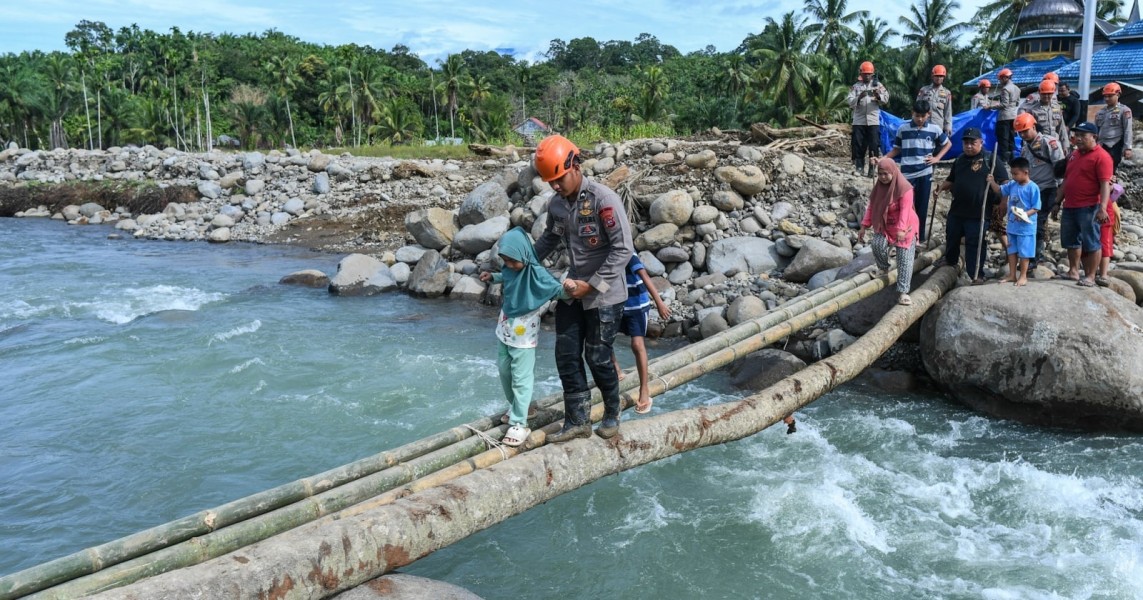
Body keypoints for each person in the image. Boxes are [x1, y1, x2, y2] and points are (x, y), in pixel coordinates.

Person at [532, 134, 634, 442]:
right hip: (572, 288)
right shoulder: (557, 205)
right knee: (565, 353)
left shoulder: (604, 201)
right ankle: (577, 420)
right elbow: (550, 238)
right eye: (550, 181)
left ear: (575, 166)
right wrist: (524, 262)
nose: (555, 186)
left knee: (598, 356)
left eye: (559, 179)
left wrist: (591, 286)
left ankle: (612, 413)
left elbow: (623, 250)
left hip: (605, 293)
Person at [479, 227, 573, 447]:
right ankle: (523, 408)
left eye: (513, 261)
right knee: (504, 370)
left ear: (524, 254)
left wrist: (571, 289)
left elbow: (557, 290)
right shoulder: (511, 268)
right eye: (506, 261)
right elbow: (509, 275)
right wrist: (494, 277)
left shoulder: (537, 273)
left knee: (521, 377)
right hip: (505, 327)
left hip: (523, 334)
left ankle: (519, 423)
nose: (510, 265)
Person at [933, 127, 1010, 282]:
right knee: (952, 235)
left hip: (979, 212)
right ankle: (951, 260)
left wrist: (1003, 202)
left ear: (981, 142)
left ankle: (977, 274)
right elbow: (951, 179)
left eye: (972, 143)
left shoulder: (991, 159)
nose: (968, 146)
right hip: (958, 208)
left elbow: (1005, 182)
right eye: (966, 142)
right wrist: (941, 188)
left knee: (976, 242)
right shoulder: (960, 160)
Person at [883, 99, 951, 243]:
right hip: (906, 174)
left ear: (929, 114)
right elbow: (896, 150)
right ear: (912, 113)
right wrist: (883, 159)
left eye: (923, 116)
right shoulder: (903, 129)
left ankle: (918, 238)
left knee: (922, 206)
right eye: (917, 115)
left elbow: (948, 144)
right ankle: (904, 235)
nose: (920, 119)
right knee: (905, 206)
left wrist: (937, 158)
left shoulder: (934, 129)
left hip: (925, 173)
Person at [610, 254, 670, 414]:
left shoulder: (628, 253)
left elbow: (644, 276)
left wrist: (659, 302)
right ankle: (617, 370)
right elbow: (604, 280)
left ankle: (644, 389)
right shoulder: (604, 254)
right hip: (616, 305)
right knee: (603, 339)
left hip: (637, 305)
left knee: (637, 344)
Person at [1056, 121, 1113, 287]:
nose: (1078, 139)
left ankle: (1090, 276)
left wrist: (1102, 208)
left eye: (1082, 135)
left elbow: (1105, 185)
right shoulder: (1074, 155)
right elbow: (1067, 180)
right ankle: (1073, 271)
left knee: (1092, 241)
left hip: (1089, 206)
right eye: (1077, 135)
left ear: (1094, 137)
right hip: (1070, 205)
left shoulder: (1102, 157)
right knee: (1071, 240)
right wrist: (1057, 201)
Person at [858, 158, 920, 305]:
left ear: (893, 172)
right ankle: (884, 268)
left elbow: (905, 211)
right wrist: (863, 226)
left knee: (904, 258)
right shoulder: (879, 188)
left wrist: (901, 229)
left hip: (906, 226)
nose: (883, 177)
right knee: (877, 244)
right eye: (880, 174)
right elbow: (872, 207)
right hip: (886, 225)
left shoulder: (905, 189)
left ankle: (903, 292)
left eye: (886, 174)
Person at [1015, 112, 1065, 271]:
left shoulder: (1048, 143)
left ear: (1034, 127)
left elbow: (1061, 168)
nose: (1023, 135)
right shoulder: (1025, 147)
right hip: (1030, 191)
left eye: (1025, 131)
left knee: (1036, 223)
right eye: (1020, 132)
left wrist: (1060, 196)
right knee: (1028, 222)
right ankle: (1028, 255)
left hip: (1047, 189)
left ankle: (1036, 257)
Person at [987, 157, 1041, 287]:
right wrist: (992, 181)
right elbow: (999, 190)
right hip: (1012, 226)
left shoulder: (1033, 187)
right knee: (1011, 251)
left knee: (1024, 252)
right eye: (1012, 173)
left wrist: (1024, 214)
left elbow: (1036, 207)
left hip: (1026, 228)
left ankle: (1023, 276)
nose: (1013, 176)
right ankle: (1012, 274)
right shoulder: (1012, 185)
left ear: (1025, 172)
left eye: (1016, 174)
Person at [847, 61, 890, 177]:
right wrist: (859, 97)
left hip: (873, 120)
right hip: (859, 120)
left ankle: (872, 169)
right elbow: (849, 102)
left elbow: (886, 99)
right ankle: (859, 167)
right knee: (858, 144)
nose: (867, 76)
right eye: (865, 73)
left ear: (872, 74)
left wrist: (878, 96)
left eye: (869, 74)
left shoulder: (878, 85)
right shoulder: (856, 87)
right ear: (861, 73)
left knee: (874, 144)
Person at [1021, 79, 1069, 154]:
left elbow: (1061, 128)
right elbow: (1028, 131)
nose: (1046, 96)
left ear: (1053, 93)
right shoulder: (1032, 110)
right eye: (1044, 94)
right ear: (1039, 93)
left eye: (1049, 93)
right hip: (1039, 145)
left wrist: (1065, 145)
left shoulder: (1056, 107)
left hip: (1055, 144)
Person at [1095, 82, 1134, 172]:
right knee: (1098, 169)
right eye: (1105, 96)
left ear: (1118, 94)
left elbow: (1128, 129)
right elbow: (1095, 130)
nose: (1107, 99)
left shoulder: (1124, 110)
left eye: (1110, 96)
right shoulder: (1100, 112)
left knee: (1110, 170)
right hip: (1100, 145)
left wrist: (1127, 147)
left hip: (1114, 145)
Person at [1097, 182, 1126, 287]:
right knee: (1098, 242)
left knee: (1104, 243)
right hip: (1093, 207)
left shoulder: (1106, 180)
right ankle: (1094, 272)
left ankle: (1103, 274)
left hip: (1103, 208)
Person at [917, 65, 954, 137]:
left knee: (938, 147)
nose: (939, 78)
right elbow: (917, 108)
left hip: (938, 126)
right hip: (923, 125)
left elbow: (948, 111)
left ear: (944, 78)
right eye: (936, 76)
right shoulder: (924, 90)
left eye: (941, 76)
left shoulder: (947, 93)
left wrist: (948, 126)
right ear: (932, 76)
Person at [997, 69, 1021, 163]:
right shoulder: (1017, 88)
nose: (1000, 81)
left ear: (1005, 78)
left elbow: (1004, 104)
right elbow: (1017, 102)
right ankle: (1012, 159)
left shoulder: (1005, 89)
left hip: (1004, 117)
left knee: (1003, 138)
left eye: (1001, 79)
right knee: (1011, 138)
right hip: (1013, 116)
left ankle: (1004, 160)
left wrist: (990, 106)